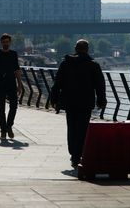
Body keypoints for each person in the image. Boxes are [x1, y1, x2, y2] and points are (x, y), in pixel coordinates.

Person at [50, 39, 107, 169]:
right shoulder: (93, 65)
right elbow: (100, 85)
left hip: (69, 102)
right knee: (82, 129)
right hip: (85, 102)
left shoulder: (65, 64)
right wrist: (101, 100)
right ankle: (78, 154)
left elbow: (57, 83)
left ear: (75, 49)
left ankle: (73, 154)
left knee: (72, 128)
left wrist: (54, 99)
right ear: (87, 49)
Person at [0, 33, 23, 140]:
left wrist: (19, 84)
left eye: (7, 42)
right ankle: (3, 131)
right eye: (3, 42)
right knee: (1, 109)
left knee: (14, 106)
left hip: (11, 83)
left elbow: (17, 70)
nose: (5, 44)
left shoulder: (13, 54)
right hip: (0, 84)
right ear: (1, 43)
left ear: (10, 42)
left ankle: (9, 126)